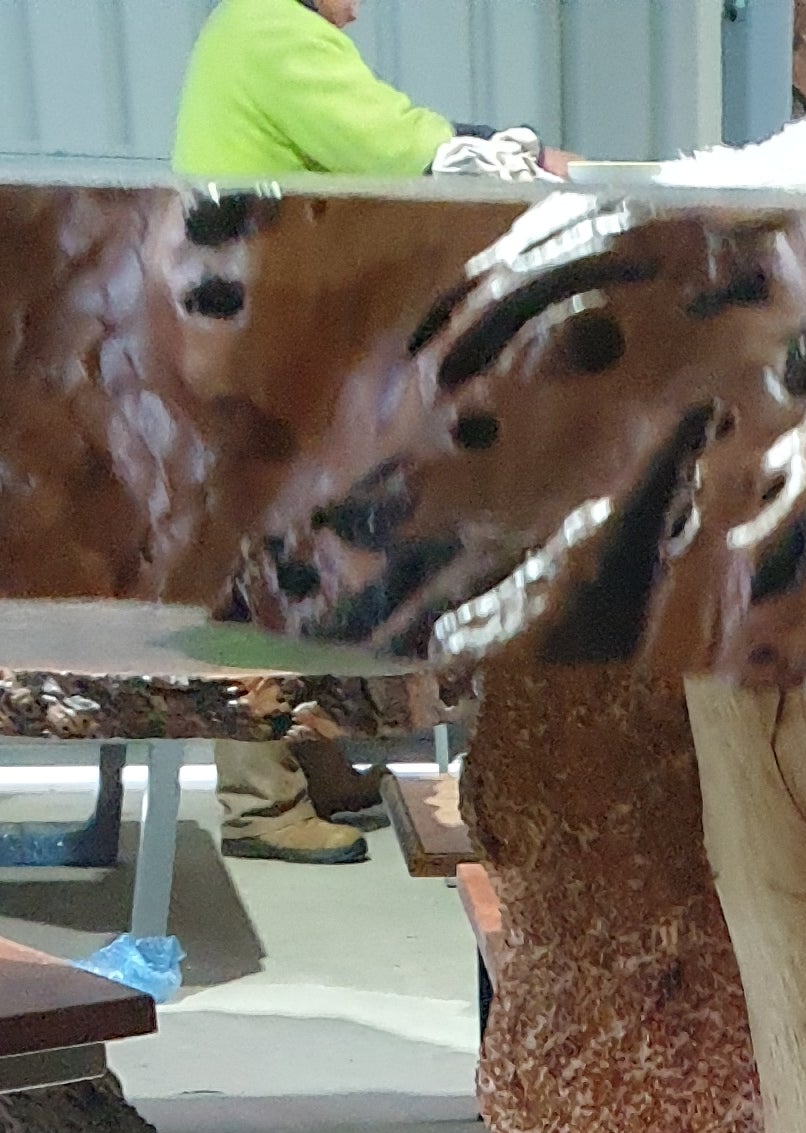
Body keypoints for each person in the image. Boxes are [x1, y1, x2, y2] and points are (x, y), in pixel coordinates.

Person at [174, 0, 545, 862]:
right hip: (257, 342)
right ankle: (259, 802)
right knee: (265, 567)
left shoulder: (255, 27)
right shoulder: (274, 29)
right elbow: (402, 146)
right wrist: (530, 156)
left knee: (308, 554)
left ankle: (310, 758)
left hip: (263, 333)